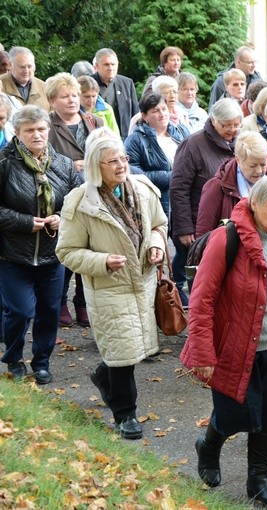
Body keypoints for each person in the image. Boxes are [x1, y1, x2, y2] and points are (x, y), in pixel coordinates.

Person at [180, 176, 267, 510]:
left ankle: (259, 478)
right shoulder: (226, 239)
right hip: (235, 347)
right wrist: (202, 352)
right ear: (254, 204)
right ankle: (208, 447)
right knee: (231, 415)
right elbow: (201, 301)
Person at [56, 134, 167, 440]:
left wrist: (156, 244)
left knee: (129, 349)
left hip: (142, 283)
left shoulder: (142, 189)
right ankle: (125, 414)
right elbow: (66, 252)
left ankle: (104, 377)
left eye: (124, 159)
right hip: (109, 287)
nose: (121, 166)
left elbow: (159, 224)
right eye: (113, 161)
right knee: (123, 351)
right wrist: (103, 261)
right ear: (96, 165)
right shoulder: (81, 202)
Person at [0, 105, 81, 384]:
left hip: (52, 254)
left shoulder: (63, 165)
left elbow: (78, 202)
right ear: (18, 133)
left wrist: (61, 217)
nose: (37, 134)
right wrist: (24, 222)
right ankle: (13, 357)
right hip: (12, 254)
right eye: (30, 130)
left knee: (49, 312)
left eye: (41, 129)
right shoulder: (4, 164)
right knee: (21, 311)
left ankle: (41, 362)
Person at [46, 72, 104, 328]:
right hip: (62, 195)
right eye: (64, 96)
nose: (71, 100)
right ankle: (60, 302)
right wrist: (71, 164)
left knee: (91, 248)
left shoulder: (95, 121)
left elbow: (107, 149)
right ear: (51, 100)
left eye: (73, 95)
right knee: (68, 250)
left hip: (93, 193)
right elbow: (42, 158)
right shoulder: (46, 125)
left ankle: (82, 302)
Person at [169, 98, 242, 302]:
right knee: (191, 263)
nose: (232, 130)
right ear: (213, 121)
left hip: (227, 222)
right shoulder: (193, 145)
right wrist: (184, 228)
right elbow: (178, 188)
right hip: (196, 221)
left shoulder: (239, 142)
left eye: (236, 125)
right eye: (226, 125)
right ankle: (176, 290)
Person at [195, 131, 267, 237]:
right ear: (238, 160)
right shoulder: (217, 187)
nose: (259, 171)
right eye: (252, 166)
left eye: (263, 164)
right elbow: (204, 234)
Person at [124, 93, 189, 219]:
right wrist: (172, 177)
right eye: (155, 111)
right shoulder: (135, 140)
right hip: (155, 202)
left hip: (185, 200)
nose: (162, 114)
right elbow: (133, 172)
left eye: (164, 109)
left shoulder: (181, 132)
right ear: (144, 116)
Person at [91, 48, 139, 140]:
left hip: (126, 139)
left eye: (113, 64)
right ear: (97, 66)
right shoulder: (89, 84)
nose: (110, 68)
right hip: (100, 139)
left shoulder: (127, 83)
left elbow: (135, 114)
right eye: (106, 64)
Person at [0, 47, 49, 113]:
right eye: (22, 67)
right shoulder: (1, 84)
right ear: (11, 65)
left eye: (29, 66)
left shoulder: (45, 88)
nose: (26, 71)